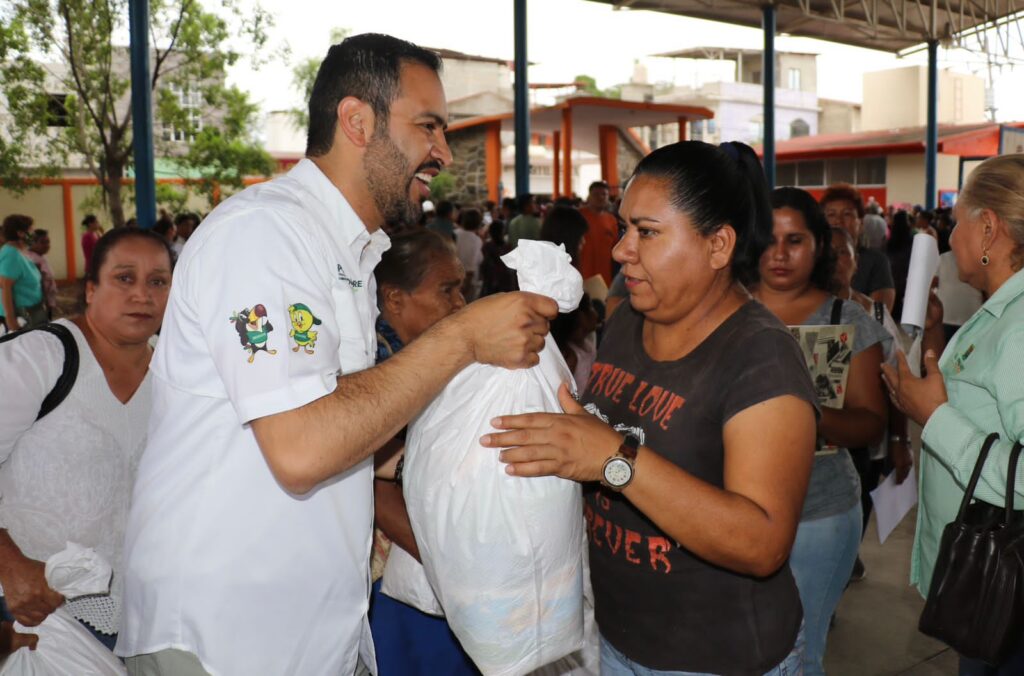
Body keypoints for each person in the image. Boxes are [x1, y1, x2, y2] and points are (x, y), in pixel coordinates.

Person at [116, 33, 556, 676]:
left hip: (309, 634)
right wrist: (461, 339)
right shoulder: (265, 236)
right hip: (224, 638)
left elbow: (343, 417)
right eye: (428, 126)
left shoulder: (350, 251)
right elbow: (302, 448)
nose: (441, 151)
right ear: (357, 120)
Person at [482, 141, 819, 676]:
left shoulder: (760, 357)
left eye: (647, 232)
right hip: (619, 640)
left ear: (718, 245)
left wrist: (612, 458)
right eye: (623, 229)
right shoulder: (628, 324)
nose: (620, 251)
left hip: (717, 659)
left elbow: (763, 542)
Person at [882, 154, 1024, 676]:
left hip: (1007, 584)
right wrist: (937, 341)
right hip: (985, 582)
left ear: (988, 228)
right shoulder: (1001, 309)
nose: (949, 240)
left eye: (959, 220)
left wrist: (935, 416)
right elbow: (983, 398)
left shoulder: (1020, 324)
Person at [0, 227, 172, 654]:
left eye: (158, 282)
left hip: (138, 619)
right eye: (125, 278)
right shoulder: (42, 358)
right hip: (30, 613)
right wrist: (9, 564)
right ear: (91, 290)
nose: (143, 296)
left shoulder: (175, 374)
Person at [752, 187, 890, 676]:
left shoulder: (846, 318)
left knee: (802, 653)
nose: (780, 254)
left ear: (820, 246)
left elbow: (871, 421)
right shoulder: (722, 312)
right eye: (769, 239)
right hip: (730, 505)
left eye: (796, 240)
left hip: (820, 509)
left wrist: (803, 416)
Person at [367, 229, 477, 676]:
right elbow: (371, 484)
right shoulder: (375, 369)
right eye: (446, 290)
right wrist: (451, 563)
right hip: (401, 579)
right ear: (395, 300)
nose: (460, 304)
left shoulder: (427, 357)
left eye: (462, 288)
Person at [831, 226, 913, 581]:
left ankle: (846, 558)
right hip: (815, 440)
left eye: (843, 254)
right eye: (827, 253)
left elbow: (897, 380)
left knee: (858, 504)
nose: (834, 262)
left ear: (856, 262)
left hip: (864, 442)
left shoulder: (875, 316)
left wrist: (900, 440)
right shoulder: (796, 311)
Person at [821, 184, 896, 312]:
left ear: (860, 223)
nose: (838, 221)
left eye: (847, 214)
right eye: (831, 215)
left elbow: (879, 315)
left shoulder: (876, 261)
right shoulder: (814, 259)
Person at [0, 214, 45, 333]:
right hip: (22, 317)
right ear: (20, 233)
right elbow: (5, 287)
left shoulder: (20, 252)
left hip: (32, 312)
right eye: (31, 230)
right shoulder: (11, 254)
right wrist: (11, 321)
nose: (33, 234)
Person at [579, 181, 619, 286]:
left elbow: (615, 248)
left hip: (605, 279)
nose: (600, 197)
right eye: (596, 194)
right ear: (589, 196)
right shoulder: (578, 217)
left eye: (604, 194)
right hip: (581, 277)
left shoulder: (612, 220)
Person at [23, 228, 58, 318]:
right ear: (32, 243)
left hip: (48, 300)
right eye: (42, 242)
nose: (47, 245)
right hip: (40, 302)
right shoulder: (32, 259)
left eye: (48, 242)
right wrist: (45, 302)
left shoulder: (41, 256)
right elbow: (39, 283)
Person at [454, 207, 484, 301]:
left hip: (453, 280)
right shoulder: (476, 240)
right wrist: (466, 286)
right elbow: (471, 268)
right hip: (469, 283)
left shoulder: (455, 234)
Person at [479, 220, 516, 296]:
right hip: (505, 280)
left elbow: (484, 264)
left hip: (491, 280)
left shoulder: (487, 246)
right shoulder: (507, 247)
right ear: (503, 231)